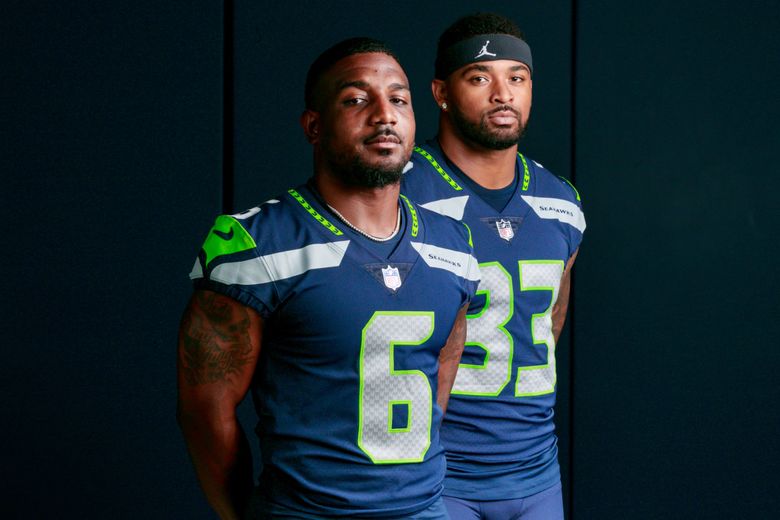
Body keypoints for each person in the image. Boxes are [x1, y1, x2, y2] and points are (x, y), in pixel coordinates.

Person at [177, 37, 480, 519]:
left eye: (399, 99)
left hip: (424, 510)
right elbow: (205, 411)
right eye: (356, 100)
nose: (385, 115)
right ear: (314, 126)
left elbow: (441, 373)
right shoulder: (256, 243)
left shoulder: (454, 244)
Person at [401, 13, 586, 520]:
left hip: (536, 470)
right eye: (480, 78)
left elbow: (549, 323)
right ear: (441, 92)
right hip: (437, 475)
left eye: (517, 78)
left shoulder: (561, 201)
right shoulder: (397, 192)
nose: (503, 93)